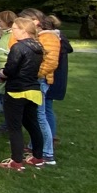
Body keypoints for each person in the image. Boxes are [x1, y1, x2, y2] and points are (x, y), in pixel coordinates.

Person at [0, 17, 44, 171]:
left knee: (14, 127)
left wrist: (2, 73)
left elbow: (10, 69)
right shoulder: (38, 46)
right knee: (32, 124)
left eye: (15, 28)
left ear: (23, 30)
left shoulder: (18, 47)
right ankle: (38, 157)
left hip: (17, 90)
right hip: (33, 90)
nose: (12, 31)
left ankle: (16, 161)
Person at [20, 9, 61, 165]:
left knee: (39, 116)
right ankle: (34, 146)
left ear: (34, 21)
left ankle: (47, 153)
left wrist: (34, 74)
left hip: (39, 81)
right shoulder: (37, 37)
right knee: (33, 115)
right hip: (32, 80)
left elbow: (51, 63)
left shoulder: (48, 37)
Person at [44, 14, 73, 159]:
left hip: (52, 79)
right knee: (46, 109)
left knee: (45, 109)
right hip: (56, 78)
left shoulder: (54, 41)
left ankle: (49, 139)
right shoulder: (60, 39)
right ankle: (50, 137)